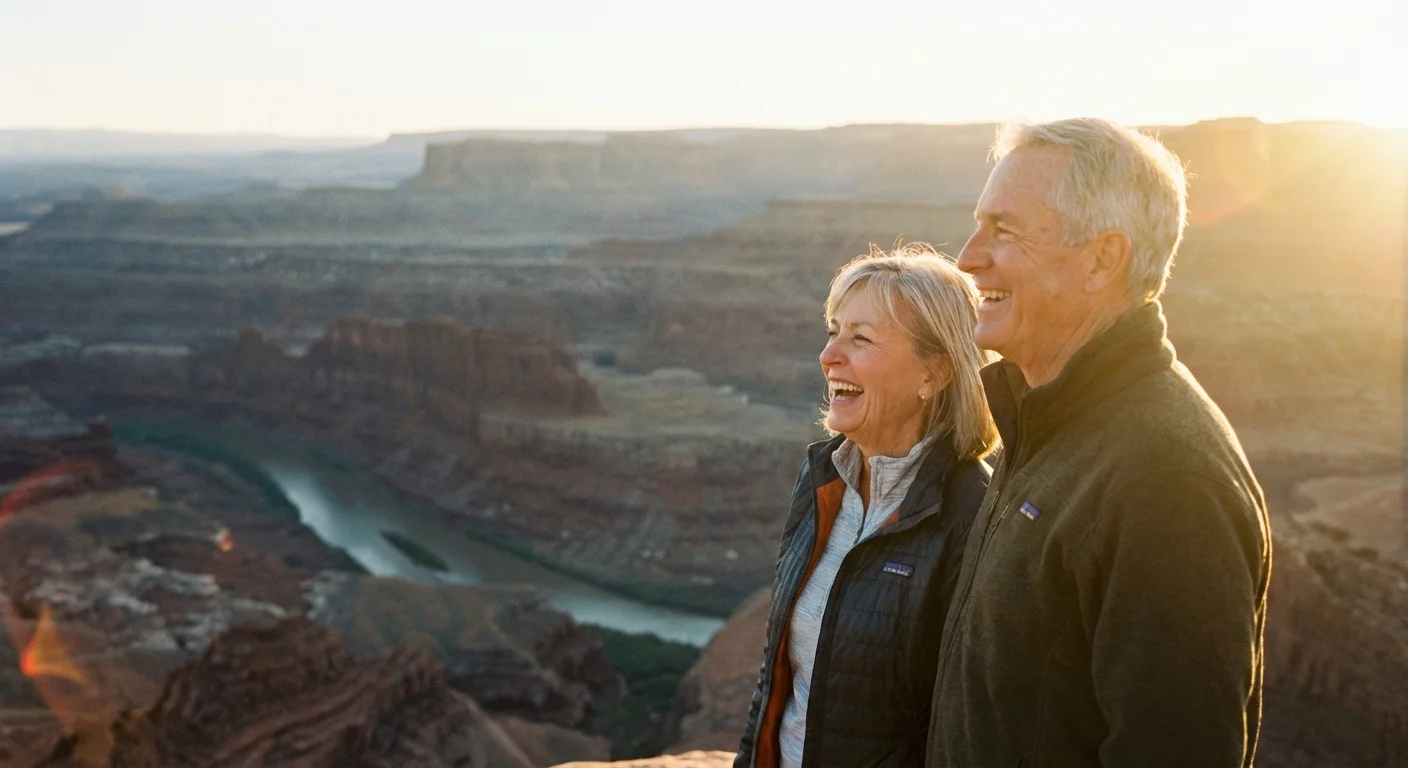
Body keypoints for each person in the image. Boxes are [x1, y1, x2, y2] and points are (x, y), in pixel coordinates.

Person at [927, 118, 1272, 767]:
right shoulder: (1048, 425)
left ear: (1101, 259)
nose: (968, 257)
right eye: (979, 226)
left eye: (1004, 231)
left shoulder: (1165, 477)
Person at [735, 244, 999, 768]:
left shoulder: (974, 513)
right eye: (834, 331)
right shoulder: (825, 479)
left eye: (861, 338)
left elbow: (968, 729)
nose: (829, 355)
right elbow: (779, 681)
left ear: (935, 373)